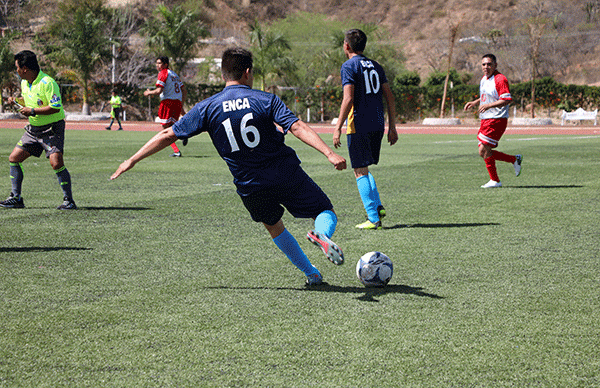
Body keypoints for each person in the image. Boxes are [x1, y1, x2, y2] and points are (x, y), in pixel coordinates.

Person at [112, 47, 347, 286]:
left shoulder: (207, 107)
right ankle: (323, 234)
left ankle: (311, 274)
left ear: (224, 74)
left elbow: (168, 134)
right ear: (247, 72)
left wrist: (132, 159)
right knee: (325, 211)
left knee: (274, 227)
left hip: (249, 184)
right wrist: (328, 153)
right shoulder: (265, 99)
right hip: (283, 172)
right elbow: (296, 127)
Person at [333, 29, 398, 230]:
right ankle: (378, 208)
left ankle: (373, 218)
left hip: (358, 124)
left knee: (359, 171)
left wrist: (337, 128)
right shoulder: (376, 66)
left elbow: (348, 98)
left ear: (346, 46)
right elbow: (389, 97)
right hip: (378, 124)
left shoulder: (348, 66)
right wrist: (392, 126)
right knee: (364, 168)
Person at [0, 50, 76, 210]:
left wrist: (32, 111)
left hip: (51, 129)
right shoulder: (24, 83)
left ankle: (69, 201)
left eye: (17, 68)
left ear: (25, 68)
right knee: (14, 158)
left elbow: (55, 108)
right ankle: (16, 198)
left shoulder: (48, 83)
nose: (16, 71)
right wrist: (17, 101)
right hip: (33, 129)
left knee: (56, 163)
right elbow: (31, 101)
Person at [464, 53, 522, 188]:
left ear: (495, 65)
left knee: (484, 149)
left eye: (489, 64)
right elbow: (487, 96)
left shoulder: (500, 79)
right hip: (486, 119)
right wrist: (475, 102)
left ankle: (495, 180)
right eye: (484, 64)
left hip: (497, 119)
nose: (486, 67)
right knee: (483, 152)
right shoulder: (484, 79)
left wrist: (488, 105)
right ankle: (514, 159)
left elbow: (506, 99)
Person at [144, 56, 187, 157]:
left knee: (165, 129)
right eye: (157, 63)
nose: (157, 65)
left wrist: (149, 92)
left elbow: (159, 91)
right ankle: (183, 134)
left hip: (167, 103)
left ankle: (177, 150)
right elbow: (184, 90)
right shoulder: (174, 74)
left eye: (159, 63)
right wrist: (181, 103)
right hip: (176, 102)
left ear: (165, 64)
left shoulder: (163, 73)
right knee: (172, 127)